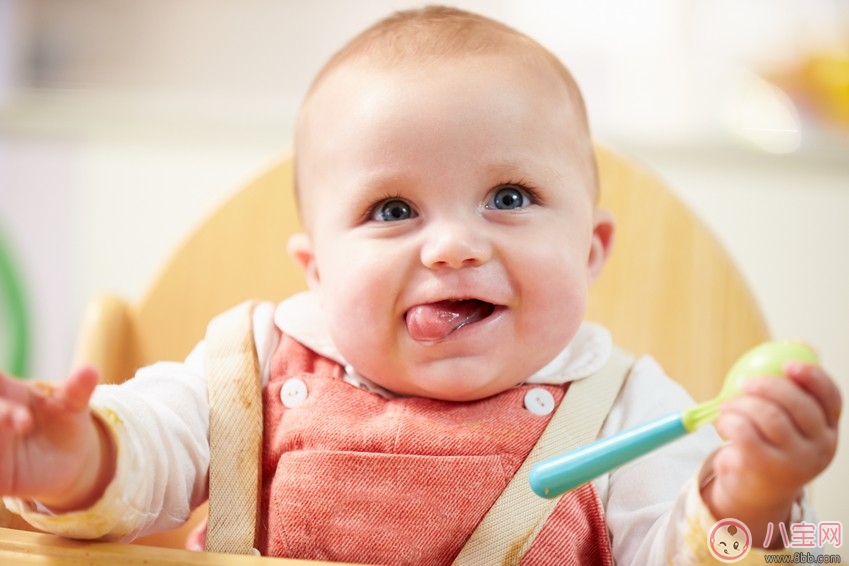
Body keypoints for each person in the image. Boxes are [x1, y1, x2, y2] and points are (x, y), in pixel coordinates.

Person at [0, 6, 841, 565]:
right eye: (392, 208)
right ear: (318, 273)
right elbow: (147, 453)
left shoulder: (633, 410)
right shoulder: (246, 368)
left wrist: (754, 497)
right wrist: (75, 458)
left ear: (590, 250)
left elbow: (692, 551)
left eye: (509, 197)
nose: (451, 246)